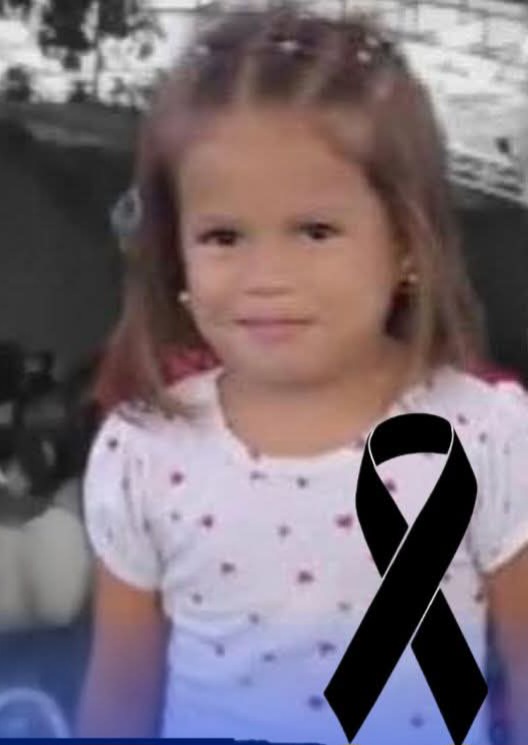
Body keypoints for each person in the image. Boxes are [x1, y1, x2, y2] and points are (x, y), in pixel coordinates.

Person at [76, 6, 528, 744]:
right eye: (223, 235)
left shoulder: (488, 434)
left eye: (315, 231)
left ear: (407, 244)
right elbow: (118, 701)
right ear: (176, 253)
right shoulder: (144, 452)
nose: (267, 276)